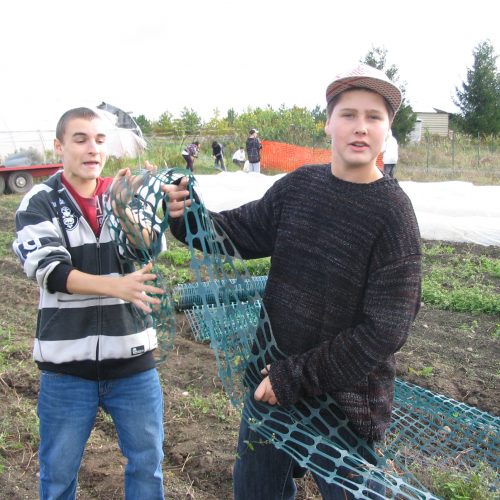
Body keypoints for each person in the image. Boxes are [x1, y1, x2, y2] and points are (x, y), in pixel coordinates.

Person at [169, 63, 422, 499]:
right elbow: (237, 232)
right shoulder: (301, 186)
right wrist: (186, 214)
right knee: (256, 493)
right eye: (348, 115)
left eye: (374, 117)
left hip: (344, 404)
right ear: (328, 123)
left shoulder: (393, 215)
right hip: (270, 383)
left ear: (387, 131)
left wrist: (296, 377)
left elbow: (385, 329)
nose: (360, 128)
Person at [12, 107, 190, 500]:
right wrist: (117, 287)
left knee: (147, 464)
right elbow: (51, 272)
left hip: (133, 366)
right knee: (58, 474)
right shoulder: (39, 203)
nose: (92, 148)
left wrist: (128, 210)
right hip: (66, 370)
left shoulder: (119, 195)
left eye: (99, 139)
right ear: (59, 147)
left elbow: (147, 248)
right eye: (80, 139)